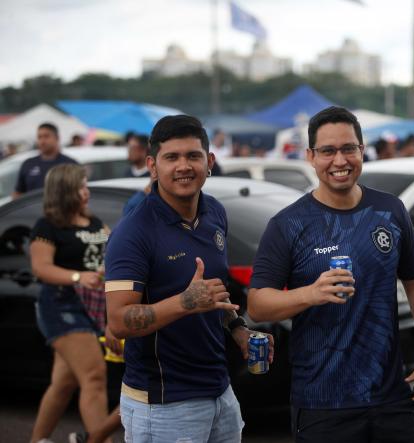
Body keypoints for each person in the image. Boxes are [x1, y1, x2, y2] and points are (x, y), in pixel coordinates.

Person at [248, 106, 414, 443]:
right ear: (311, 156)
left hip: (390, 397)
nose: (340, 160)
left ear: (361, 150)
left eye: (348, 149)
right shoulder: (287, 224)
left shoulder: (389, 210)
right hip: (322, 404)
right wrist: (309, 294)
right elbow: (257, 305)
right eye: (328, 151)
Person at [104, 114, 273, 443]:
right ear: (153, 166)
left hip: (220, 394)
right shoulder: (133, 232)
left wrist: (238, 330)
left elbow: (212, 293)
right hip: (164, 406)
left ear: (209, 162)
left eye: (193, 156)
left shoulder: (214, 213)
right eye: (172, 158)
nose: (184, 166)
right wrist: (183, 302)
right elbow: (119, 322)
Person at [29, 163, 119, 443]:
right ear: (66, 191)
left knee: (64, 383)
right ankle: (99, 440)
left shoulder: (93, 222)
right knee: (94, 375)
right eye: (81, 186)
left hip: (92, 306)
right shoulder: (48, 226)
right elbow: (40, 268)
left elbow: (113, 248)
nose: (86, 192)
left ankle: (38, 440)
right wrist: (78, 276)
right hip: (61, 306)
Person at [13, 122, 77, 199]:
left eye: (46, 136)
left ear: (57, 138)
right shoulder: (28, 164)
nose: (42, 141)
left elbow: (79, 193)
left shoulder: (71, 164)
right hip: (32, 211)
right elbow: (18, 193)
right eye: (39, 137)